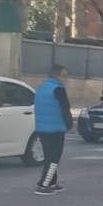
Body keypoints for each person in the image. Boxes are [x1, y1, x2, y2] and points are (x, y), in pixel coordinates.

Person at [33, 64, 74, 195]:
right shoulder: (58, 89)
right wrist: (69, 124)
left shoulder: (41, 88)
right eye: (65, 76)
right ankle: (43, 185)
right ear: (58, 76)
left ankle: (52, 182)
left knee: (49, 156)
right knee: (54, 158)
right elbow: (65, 109)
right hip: (55, 128)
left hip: (42, 128)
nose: (66, 79)